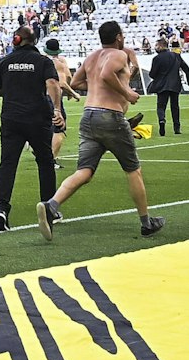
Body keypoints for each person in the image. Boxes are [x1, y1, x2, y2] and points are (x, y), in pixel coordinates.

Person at [41, 21, 165, 241]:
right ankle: (146, 222)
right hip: (110, 117)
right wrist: (126, 93)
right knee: (133, 169)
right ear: (118, 37)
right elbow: (108, 74)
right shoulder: (118, 55)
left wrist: (98, 86)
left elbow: (77, 82)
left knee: (85, 171)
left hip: (89, 116)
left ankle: (51, 205)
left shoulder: (91, 56)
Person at [0, 28, 63, 232]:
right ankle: (49, 207)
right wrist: (57, 109)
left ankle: (2, 209)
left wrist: (14, 87)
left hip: (11, 117)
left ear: (16, 40)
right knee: (45, 162)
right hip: (37, 118)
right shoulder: (42, 61)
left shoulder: (5, 62)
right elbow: (53, 84)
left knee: (8, 163)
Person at [146, 38, 189, 136]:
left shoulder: (157, 58)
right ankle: (177, 128)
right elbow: (185, 68)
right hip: (175, 84)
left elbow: (152, 74)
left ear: (161, 46)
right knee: (175, 106)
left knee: (161, 106)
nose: (155, 47)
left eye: (156, 45)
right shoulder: (176, 56)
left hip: (161, 85)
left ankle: (161, 121)